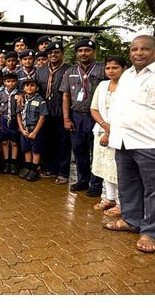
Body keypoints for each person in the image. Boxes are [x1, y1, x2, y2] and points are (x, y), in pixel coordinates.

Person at [103, 35, 155, 254]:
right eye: (134, 49)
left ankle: (150, 231)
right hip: (123, 142)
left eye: (144, 49)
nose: (138, 53)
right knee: (128, 185)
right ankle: (131, 220)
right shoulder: (127, 76)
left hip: (153, 143)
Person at [61, 38, 108, 196]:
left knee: (96, 151)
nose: (83, 53)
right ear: (76, 53)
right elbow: (66, 96)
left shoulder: (103, 69)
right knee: (79, 150)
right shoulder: (71, 72)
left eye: (87, 50)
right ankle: (83, 180)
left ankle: (96, 185)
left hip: (97, 117)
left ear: (93, 52)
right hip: (76, 116)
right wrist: (66, 119)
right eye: (80, 51)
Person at [89, 56, 127, 217]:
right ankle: (108, 197)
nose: (111, 71)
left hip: (120, 133)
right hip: (100, 129)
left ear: (124, 68)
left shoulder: (129, 87)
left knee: (117, 169)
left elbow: (126, 112)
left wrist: (109, 132)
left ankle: (121, 203)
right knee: (104, 167)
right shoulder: (103, 85)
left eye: (115, 67)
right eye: (108, 68)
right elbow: (94, 108)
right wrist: (104, 126)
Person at [38, 41, 71, 184]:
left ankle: (63, 172)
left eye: (56, 52)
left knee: (63, 142)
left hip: (62, 112)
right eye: (50, 53)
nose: (53, 55)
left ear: (62, 54)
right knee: (49, 141)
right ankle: (51, 169)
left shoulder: (69, 70)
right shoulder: (41, 70)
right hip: (45, 112)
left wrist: (67, 117)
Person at [17, 77, 47, 182]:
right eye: (27, 85)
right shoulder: (21, 99)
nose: (29, 87)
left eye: (32, 85)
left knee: (36, 150)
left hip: (35, 130)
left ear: (37, 88)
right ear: (23, 87)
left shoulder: (40, 101)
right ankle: (28, 167)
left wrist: (35, 132)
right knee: (26, 149)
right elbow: (18, 115)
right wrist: (21, 129)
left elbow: (42, 117)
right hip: (24, 129)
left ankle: (34, 170)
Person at [0, 71, 21, 174]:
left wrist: (20, 125)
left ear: (16, 82)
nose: (11, 84)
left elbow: (21, 110)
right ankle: (6, 162)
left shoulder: (19, 94)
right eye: (8, 81)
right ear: (4, 82)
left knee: (14, 142)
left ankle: (13, 163)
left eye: (13, 81)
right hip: (3, 120)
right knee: (4, 142)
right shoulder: (0, 94)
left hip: (15, 120)